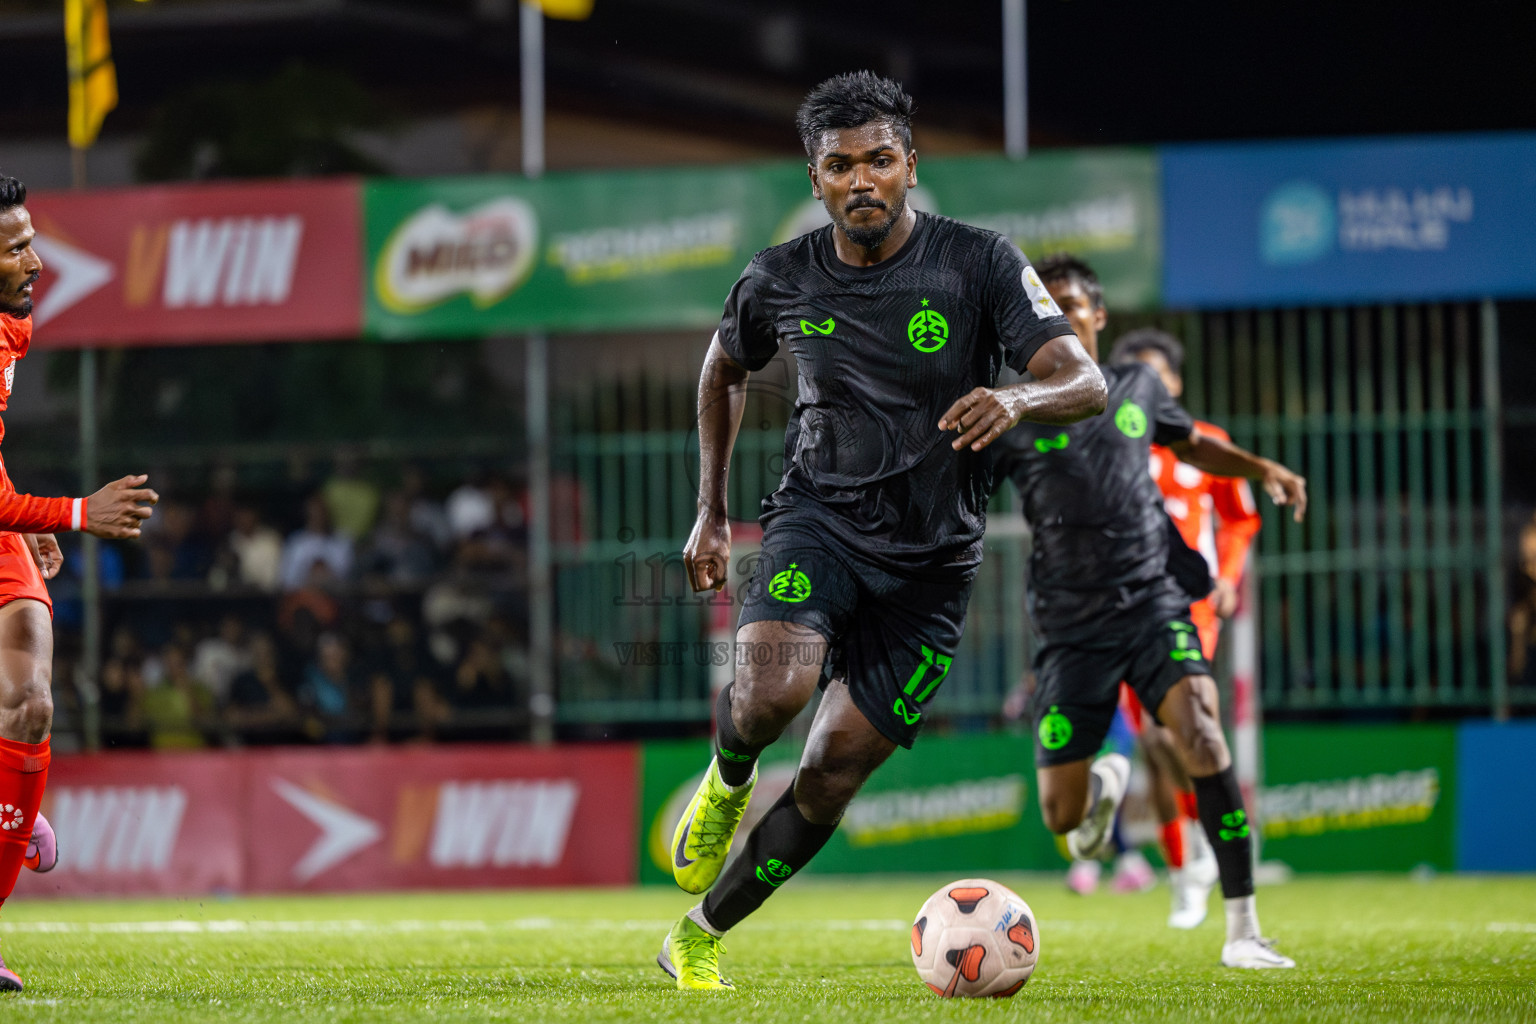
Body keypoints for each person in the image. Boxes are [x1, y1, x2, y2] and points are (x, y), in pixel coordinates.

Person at [658, 72, 1106, 990]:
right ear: (814, 178)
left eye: (878, 160)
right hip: (817, 520)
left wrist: (1019, 396)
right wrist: (709, 510)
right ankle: (730, 774)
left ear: (910, 165)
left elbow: (1086, 379)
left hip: (933, 564)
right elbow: (722, 368)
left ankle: (698, 935)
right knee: (772, 695)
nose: (861, 179)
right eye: (839, 165)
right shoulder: (779, 273)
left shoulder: (979, 261)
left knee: (829, 774)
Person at [990, 253, 1305, 969]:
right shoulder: (1012, 407)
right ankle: (1101, 809)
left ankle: (1243, 929)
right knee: (1062, 819)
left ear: (1097, 316)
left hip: (1153, 603)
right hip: (1070, 631)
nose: (1057, 317)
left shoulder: (1136, 386)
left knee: (1201, 732)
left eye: (1069, 304)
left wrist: (1264, 470)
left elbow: (1194, 444)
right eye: (1044, 307)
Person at [0, 176, 159, 990]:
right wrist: (67, 513)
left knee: (31, 703)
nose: (34, 260)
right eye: (16, 248)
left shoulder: (10, 325)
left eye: (30, 240)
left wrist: (28, 522)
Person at [1109, 326, 1263, 929]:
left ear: (1175, 382)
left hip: (1187, 608)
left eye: (1159, 376)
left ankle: (1199, 860)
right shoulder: (1111, 442)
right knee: (1153, 743)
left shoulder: (1207, 445)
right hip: (1119, 607)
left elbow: (1241, 520)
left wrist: (1225, 577)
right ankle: (1185, 866)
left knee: (1176, 730)